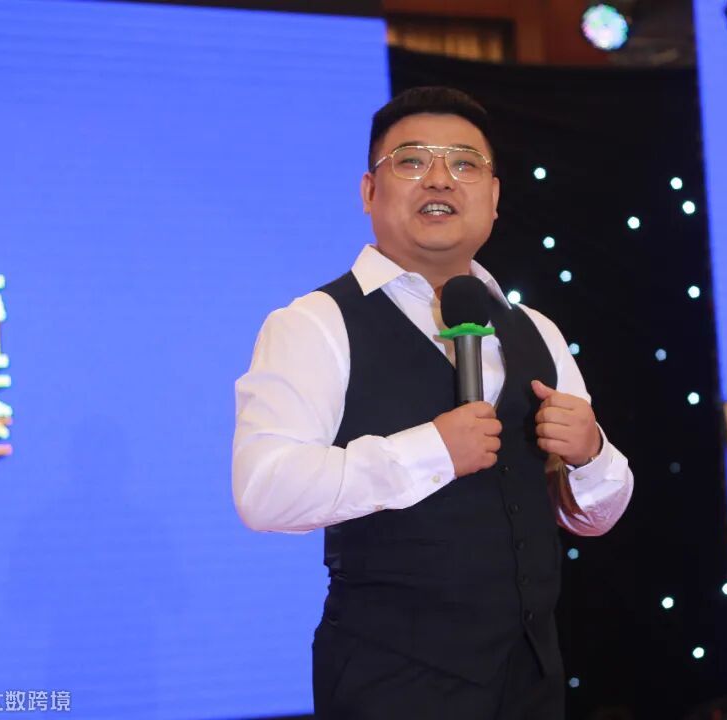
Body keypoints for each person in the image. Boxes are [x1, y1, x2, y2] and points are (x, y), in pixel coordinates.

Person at [233, 86, 634, 719]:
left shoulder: (537, 331)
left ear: (494, 197)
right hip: (389, 685)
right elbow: (265, 492)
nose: (440, 179)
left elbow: (594, 519)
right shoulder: (314, 324)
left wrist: (591, 454)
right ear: (369, 191)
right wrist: (432, 452)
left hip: (530, 684)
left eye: (464, 163)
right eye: (413, 161)